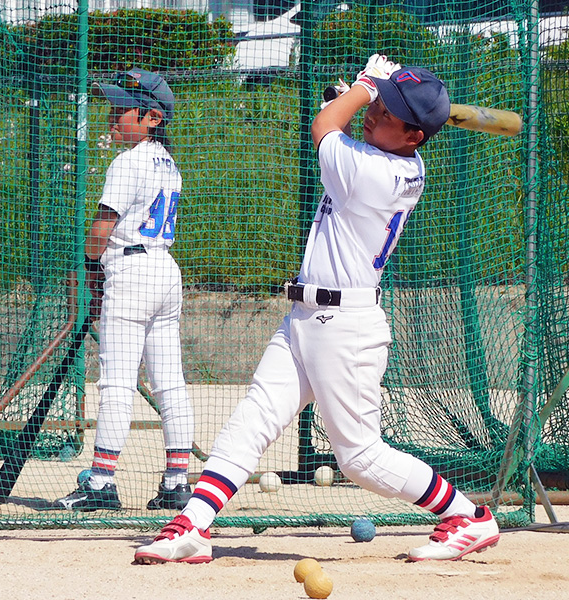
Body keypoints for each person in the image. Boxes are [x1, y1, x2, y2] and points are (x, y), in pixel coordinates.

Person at [132, 55, 500, 563]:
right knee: (252, 418)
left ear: (414, 137)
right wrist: (362, 95)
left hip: (345, 329)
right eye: (379, 107)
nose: (375, 115)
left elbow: (326, 123)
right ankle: (192, 526)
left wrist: (366, 87)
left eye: (388, 114)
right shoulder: (374, 154)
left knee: (359, 458)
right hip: (305, 318)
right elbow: (340, 118)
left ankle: (468, 517)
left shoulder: (378, 173)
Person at [55, 68, 194, 512]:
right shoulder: (167, 161)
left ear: (153, 117)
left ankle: (100, 483)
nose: (112, 118)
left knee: (115, 384)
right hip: (164, 271)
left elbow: (101, 231)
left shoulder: (127, 161)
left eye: (122, 110)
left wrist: (86, 270)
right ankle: (176, 482)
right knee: (169, 384)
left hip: (131, 272)